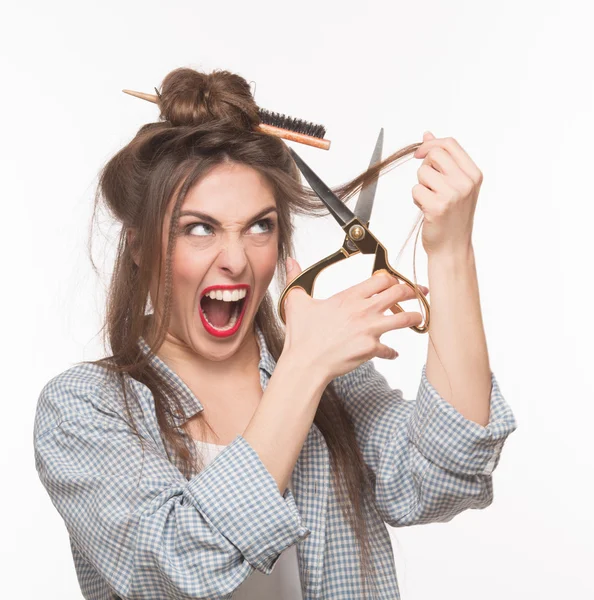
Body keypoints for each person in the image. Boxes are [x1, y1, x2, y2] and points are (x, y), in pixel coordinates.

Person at [33, 67, 518, 600]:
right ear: (143, 246)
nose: (237, 261)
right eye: (200, 228)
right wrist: (303, 369)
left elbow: (443, 473)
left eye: (260, 226)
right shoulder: (82, 410)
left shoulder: (334, 379)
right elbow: (175, 568)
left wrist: (450, 253)